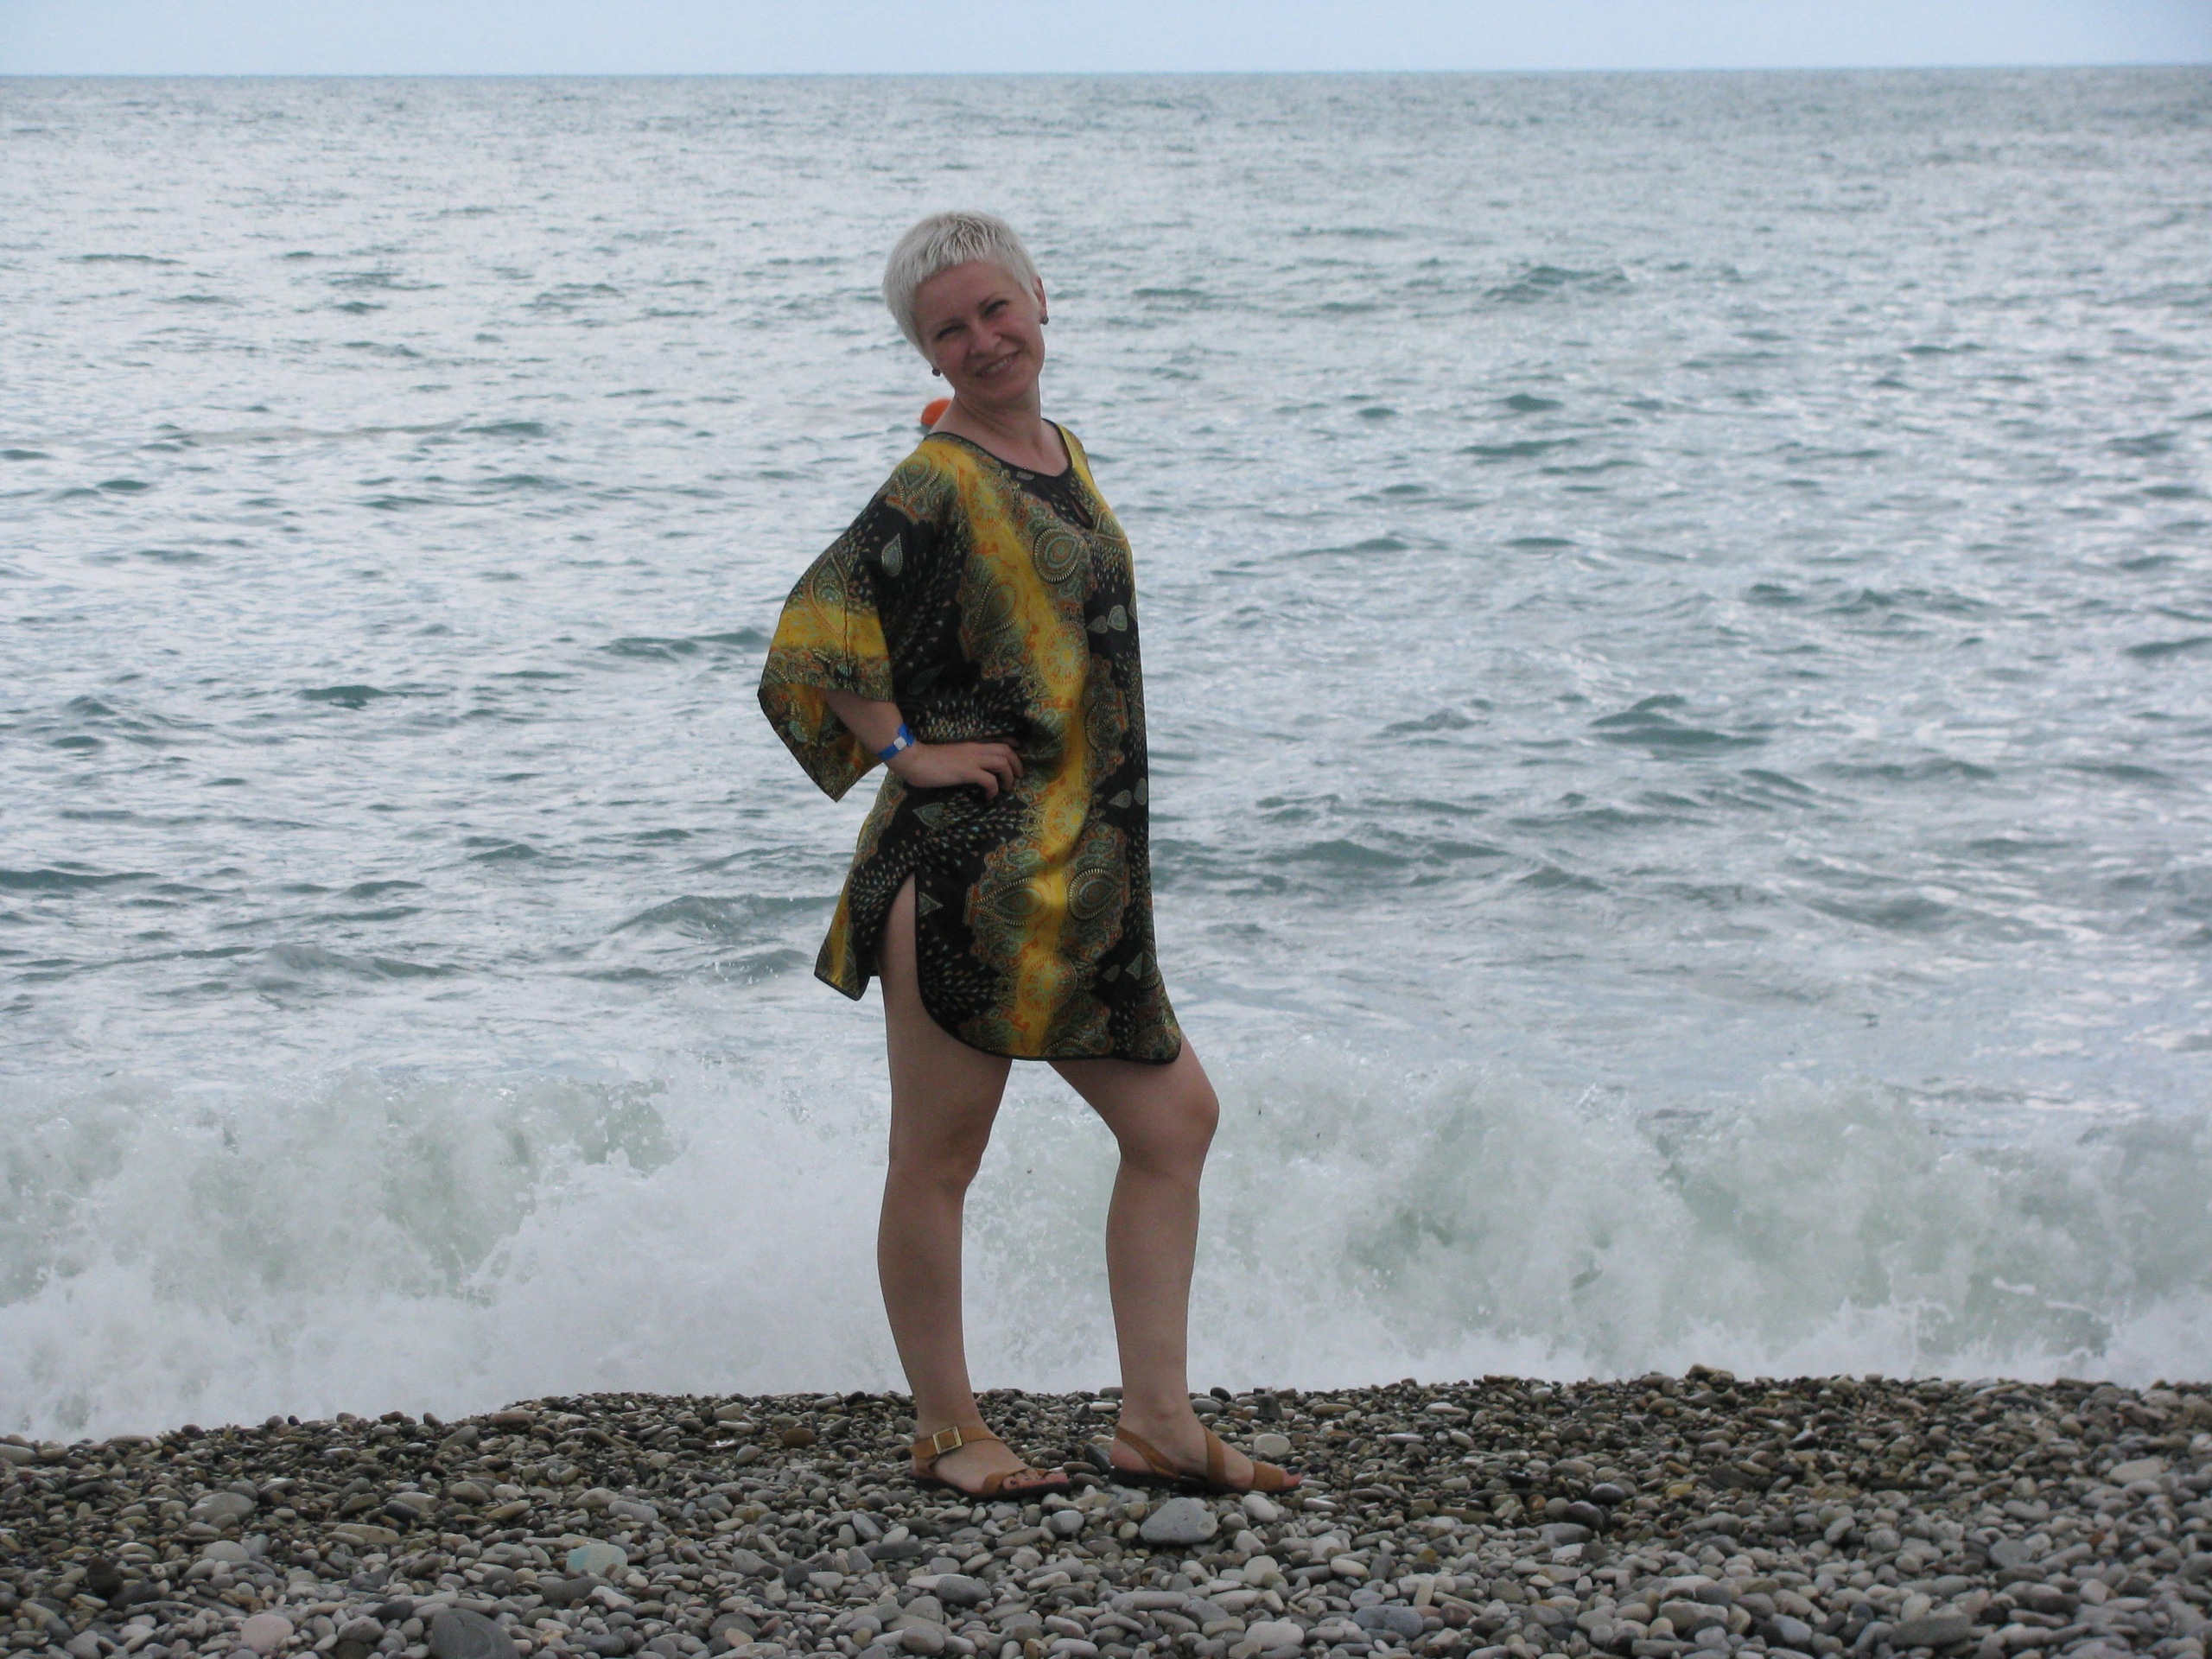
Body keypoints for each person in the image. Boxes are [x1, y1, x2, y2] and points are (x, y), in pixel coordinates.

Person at [758, 211, 1298, 1500]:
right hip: (967, 880)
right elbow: (816, 628)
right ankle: (950, 1432)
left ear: (1040, 299)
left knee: (1175, 1120)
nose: (983, 339)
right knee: (939, 1159)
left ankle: (1156, 1422)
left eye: (995, 308)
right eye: (950, 329)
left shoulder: (1061, 455)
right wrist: (906, 754)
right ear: (928, 353)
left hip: (1081, 882)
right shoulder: (938, 480)